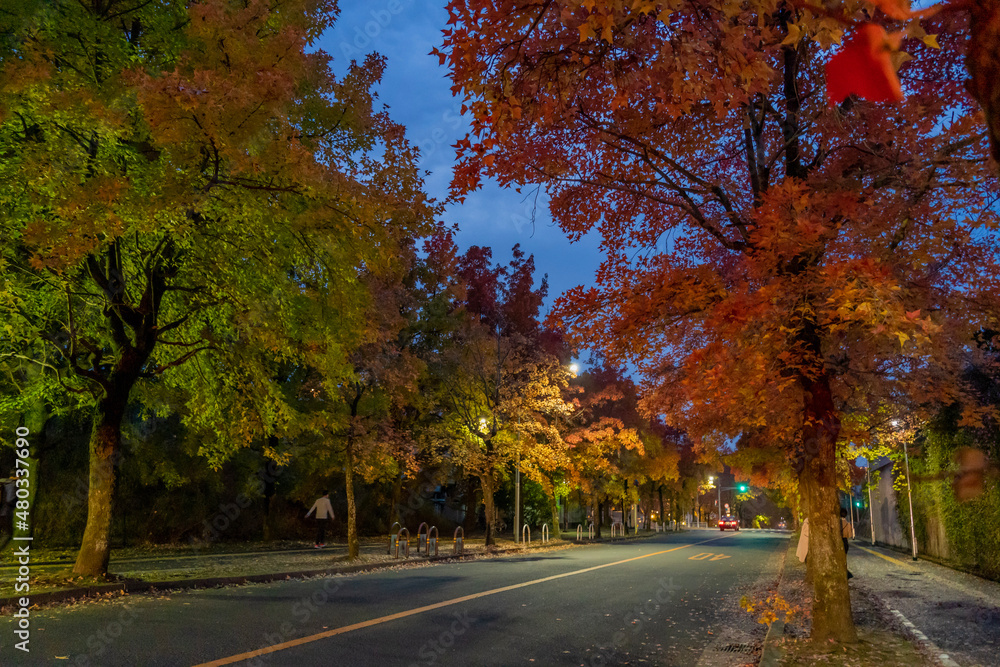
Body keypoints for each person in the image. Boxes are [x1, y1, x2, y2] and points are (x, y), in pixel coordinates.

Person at [841, 506, 855, 579]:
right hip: (845, 542)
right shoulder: (848, 524)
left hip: (838, 542)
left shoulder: (836, 523)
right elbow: (849, 535)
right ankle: (845, 573)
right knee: (844, 558)